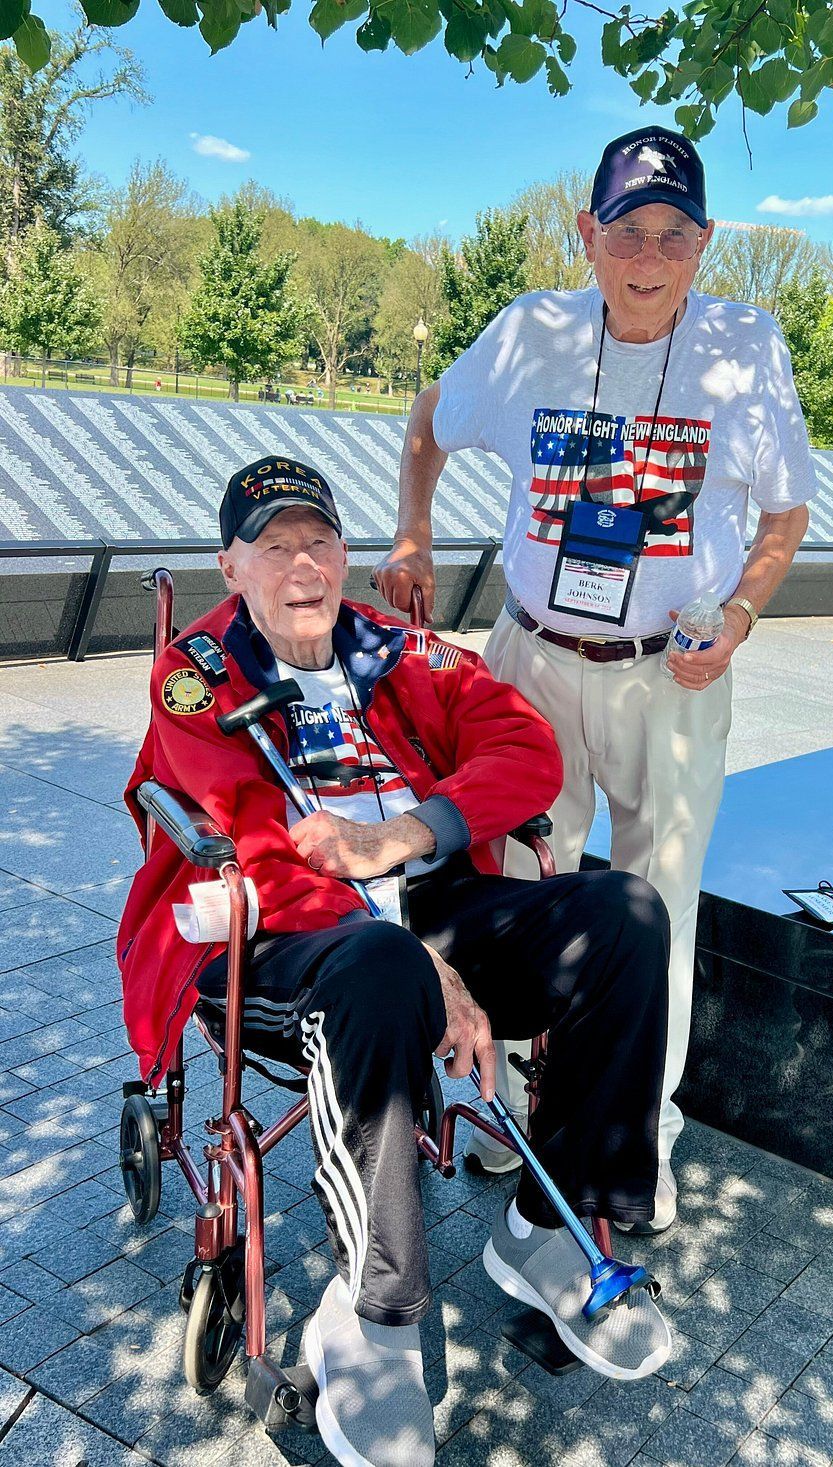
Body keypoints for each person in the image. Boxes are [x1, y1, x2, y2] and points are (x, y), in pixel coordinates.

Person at [118, 456, 672, 1467]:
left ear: (345, 554)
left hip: (425, 900)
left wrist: (412, 831)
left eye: (319, 541)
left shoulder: (406, 653)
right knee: (379, 964)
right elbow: (247, 837)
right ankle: (369, 1321)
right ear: (229, 565)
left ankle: (547, 1225)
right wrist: (423, 964)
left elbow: (526, 748)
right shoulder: (194, 676)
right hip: (275, 937)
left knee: (622, 915)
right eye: (273, 546)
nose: (302, 565)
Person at [376, 125, 816, 1233]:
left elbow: (783, 512)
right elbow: (430, 417)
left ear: (704, 245)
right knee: (526, 890)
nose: (649, 255)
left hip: (670, 676)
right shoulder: (529, 331)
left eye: (675, 234)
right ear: (587, 234)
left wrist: (746, 614)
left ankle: (634, 1138)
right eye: (627, 229)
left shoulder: (745, 348)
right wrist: (414, 535)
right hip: (528, 662)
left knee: (655, 910)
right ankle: (518, 1107)